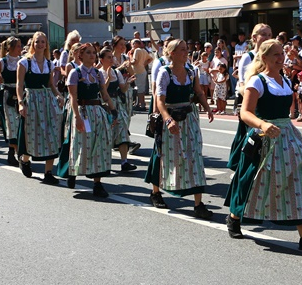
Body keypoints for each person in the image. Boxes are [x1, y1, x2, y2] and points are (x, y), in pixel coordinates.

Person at [225, 40, 302, 250]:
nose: (281, 58)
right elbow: (245, 113)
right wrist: (263, 124)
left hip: (287, 134)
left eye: (282, 54)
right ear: (264, 58)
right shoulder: (257, 82)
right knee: (252, 180)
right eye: (275, 55)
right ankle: (235, 217)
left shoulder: (285, 81)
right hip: (264, 136)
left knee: (296, 179)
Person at [145, 39, 215, 218]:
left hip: (189, 118)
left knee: (195, 157)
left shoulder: (192, 71)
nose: (186, 52)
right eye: (182, 50)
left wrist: (207, 108)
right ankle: (155, 192)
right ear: (172, 53)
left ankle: (198, 204)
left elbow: (198, 92)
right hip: (171, 118)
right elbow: (159, 100)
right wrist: (167, 120)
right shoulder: (164, 72)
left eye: (187, 49)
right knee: (162, 155)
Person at [58, 43, 114, 197]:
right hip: (82, 111)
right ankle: (72, 172)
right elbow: (73, 98)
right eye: (88, 53)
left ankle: (97, 183)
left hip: (97, 112)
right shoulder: (75, 73)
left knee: (99, 146)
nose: (92, 55)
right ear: (80, 56)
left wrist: (113, 111)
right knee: (79, 144)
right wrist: (77, 117)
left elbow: (104, 93)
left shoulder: (97, 73)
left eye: (94, 53)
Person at [16, 32, 63, 181]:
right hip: (32, 99)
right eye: (37, 42)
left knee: (52, 133)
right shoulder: (24, 63)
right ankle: (25, 160)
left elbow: (51, 84)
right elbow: (19, 84)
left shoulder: (50, 63)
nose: (40, 44)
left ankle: (48, 172)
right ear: (33, 44)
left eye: (43, 42)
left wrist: (58, 95)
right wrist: (20, 103)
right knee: (32, 132)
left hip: (47, 100)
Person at [227, 24, 273, 174]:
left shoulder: (273, 56)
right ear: (254, 38)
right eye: (264, 34)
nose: (267, 38)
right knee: (249, 139)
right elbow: (243, 83)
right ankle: (241, 169)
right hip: (252, 104)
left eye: (269, 34)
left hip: (267, 103)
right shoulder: (249, 57)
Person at [100, 46, 136, 174]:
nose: (111, 59)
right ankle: (105, 162)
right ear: (102, 59)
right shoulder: (99, 72)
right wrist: (108, 78)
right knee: (106, 133)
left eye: (112, 57)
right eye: (108, 57)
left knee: (122, 131)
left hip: (117, 104)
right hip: (104, 105)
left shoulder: (117, 72)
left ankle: (124, 162)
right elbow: (102, 90)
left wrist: (127, 83)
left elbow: (122, 89)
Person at [0, 37, 23, 165]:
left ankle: (15, 152)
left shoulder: (23, 61)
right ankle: (15, 153)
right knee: (12, 124)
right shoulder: (2, 62)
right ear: (10, 48)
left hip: (22, 95)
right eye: (18, 46)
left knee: (22, 124)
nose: (21, 48)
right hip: (8, 95)